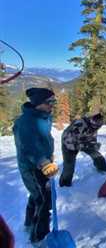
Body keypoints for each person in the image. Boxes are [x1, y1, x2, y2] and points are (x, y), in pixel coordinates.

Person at [13, 88, 58, 243]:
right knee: (43, 200)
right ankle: (39, 237)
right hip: (31, 167)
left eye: (54, 101)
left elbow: (45, 138)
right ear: (38, 103)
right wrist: (43, 161)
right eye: (50, 102)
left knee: (39, 195)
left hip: (43, 162)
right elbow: (28, 147)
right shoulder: (25, 122)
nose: (53, 105)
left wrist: (49, 154)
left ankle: (29, 222)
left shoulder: (45, 116)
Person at [59, 113, 106, 187]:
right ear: (91, 120)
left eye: (99, 124)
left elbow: (92, 138)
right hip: (68, 144)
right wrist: (82, 146)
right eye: (95, 123)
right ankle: (65, 185)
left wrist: (94, 145)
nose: (96, 126)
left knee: (96, 155)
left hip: (82, 142)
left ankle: (103, 171)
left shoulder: (94, 127)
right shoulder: (79, 124)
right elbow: (68, 141)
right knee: (69, 166)